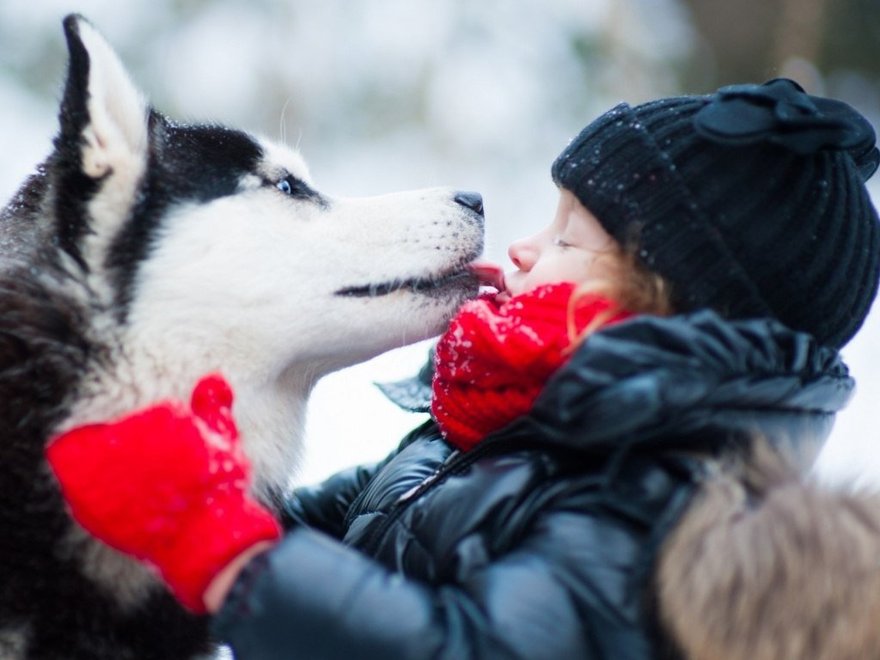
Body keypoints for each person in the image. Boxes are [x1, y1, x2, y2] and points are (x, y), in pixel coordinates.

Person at [45, 78, 880, 659]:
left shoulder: (654, 501)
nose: (523, 244)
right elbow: (328, 543)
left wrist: (225, 553)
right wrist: (204, 494)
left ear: (662, 297)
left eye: (567, 238)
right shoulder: (503, 429)